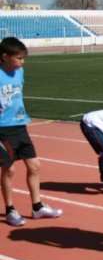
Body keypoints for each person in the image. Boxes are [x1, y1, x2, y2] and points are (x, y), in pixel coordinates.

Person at [0, 37, 62, 226]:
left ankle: (37, 207)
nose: (22, 62)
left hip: (20, 126)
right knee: (9, 170)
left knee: (34, 165)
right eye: (18, 58)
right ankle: (10, 210)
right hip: (2, 129)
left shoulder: (20, 72)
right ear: (5, 57)